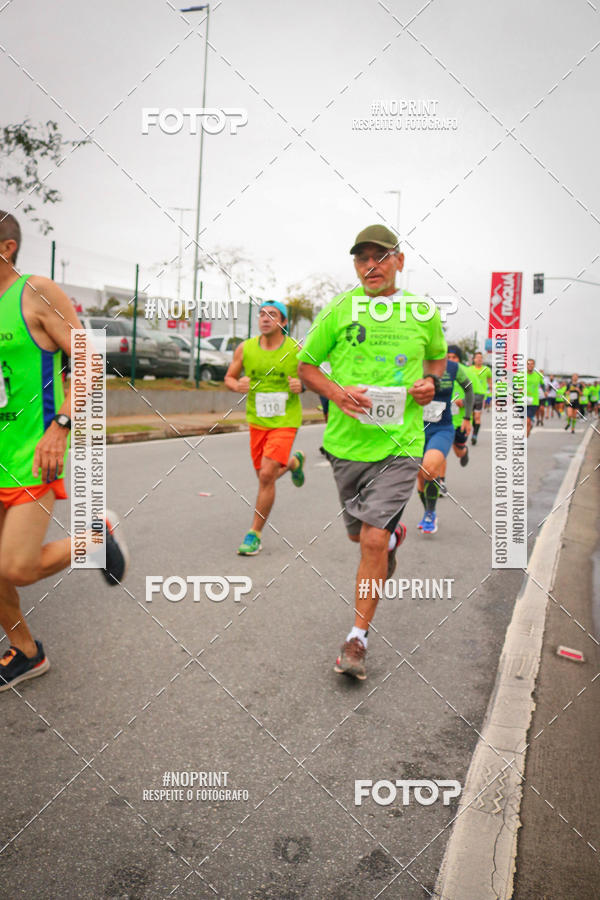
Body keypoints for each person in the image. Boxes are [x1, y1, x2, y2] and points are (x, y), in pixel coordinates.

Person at [297, 224, 447, 680]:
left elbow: (436, 360)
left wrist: (430, 383)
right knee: (360, 538)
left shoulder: (422, 312)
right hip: (346, 445)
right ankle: (394, 538)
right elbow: (305, 366)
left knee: (371, 540)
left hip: (401, 445)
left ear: (399, 261)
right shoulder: (339, 309)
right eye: (362, 258)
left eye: (380, 256)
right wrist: (337, 392)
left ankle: (357, 639)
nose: (370, 265)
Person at [0, 211, 128, 691]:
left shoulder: (33, 292)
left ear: (7, 247)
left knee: (16, 567)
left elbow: (89, 359)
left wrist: (62, 426)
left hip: (33, 453)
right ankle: (26, 652)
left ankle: (93, 542)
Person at [225, 301, 305, 555]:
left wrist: (302, 385)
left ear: (283, 322)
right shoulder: (246, 348)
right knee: (262, 474)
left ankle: (254, 534)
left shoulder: (296, 349)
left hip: (285, 421)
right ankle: (293, 463)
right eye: (262, 314)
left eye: (272, 314)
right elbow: (229, 377)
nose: (265, 318)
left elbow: (313, 375)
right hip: (258, 421)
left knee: (267, 475)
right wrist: (237, 385)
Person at [416, 347, 473, 534]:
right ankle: (428, 511)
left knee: (429, 468)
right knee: (420, 478)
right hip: (415, 429)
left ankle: (430, 513)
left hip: (442, 428)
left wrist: (467, 417)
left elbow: (469, 388)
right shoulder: (415, 363)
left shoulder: (453, 368)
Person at [466, 351, 491, 445]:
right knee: (471, 416)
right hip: (470, 394)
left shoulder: (486, 370)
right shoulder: (469, 369)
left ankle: (474, 436)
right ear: (474, 359)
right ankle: (473, 431)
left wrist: (489, 396)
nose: (479, 359)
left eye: (481, 358)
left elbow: (490, 382)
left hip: (481, 395)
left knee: (477, 416)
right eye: (477, 357)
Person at [525, 358, 545, 438]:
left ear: (534, 365)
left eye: (532, 364)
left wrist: (545, 392)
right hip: (522, 401)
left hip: (533, 401)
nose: (530, 365)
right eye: (528, 364)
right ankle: (530, 425)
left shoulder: (538, 375)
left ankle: (524, 440)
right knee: (524, 421)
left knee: (527, 420)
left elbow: (543, 385)